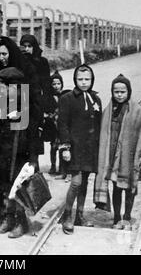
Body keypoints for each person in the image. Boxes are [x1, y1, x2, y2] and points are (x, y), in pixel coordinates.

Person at [94, 74, 141, 231]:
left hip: (129, 157)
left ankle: (127, 216)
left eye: (123, 92)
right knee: (117, 188)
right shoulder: (108, 110)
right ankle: (117, 217)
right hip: (113, 157)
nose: (119, 95)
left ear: (129, 92)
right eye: (116, 91)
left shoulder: (137, 111)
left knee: (129, 188)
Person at [0, 67, 39, 238]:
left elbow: (33, 135)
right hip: (5, 153)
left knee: (19, 189)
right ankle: (7, 219)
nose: (0, 89)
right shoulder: (3, 105)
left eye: (3, 86)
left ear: (16, 88)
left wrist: (33, 160)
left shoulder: (27, 108)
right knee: (4, 187)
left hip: (20, 155)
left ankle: (20, 222)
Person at [58, 64, 102, 235]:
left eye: (87, 79)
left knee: (84, 183)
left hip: (90, 148)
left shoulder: (95, 99)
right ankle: (67, 215)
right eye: (80, 79)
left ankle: (80, 216)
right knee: (76, 182)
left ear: (92, 80)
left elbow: (97, 124)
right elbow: (62, 124)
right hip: (74, 148)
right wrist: (65, 146)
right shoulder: (67, 98)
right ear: (75, 80)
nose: (84, 82)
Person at [45, 71, 71, 179]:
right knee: (53, 146)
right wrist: (49, 115)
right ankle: (52, 165)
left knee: (62, 146)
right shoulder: (49, 97)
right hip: (52, 125)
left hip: (62, 125)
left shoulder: (66, 95)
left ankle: (62, 168)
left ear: (62, 84)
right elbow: (45, 109)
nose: (56, 86)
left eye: (58, 84)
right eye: (54, 84)